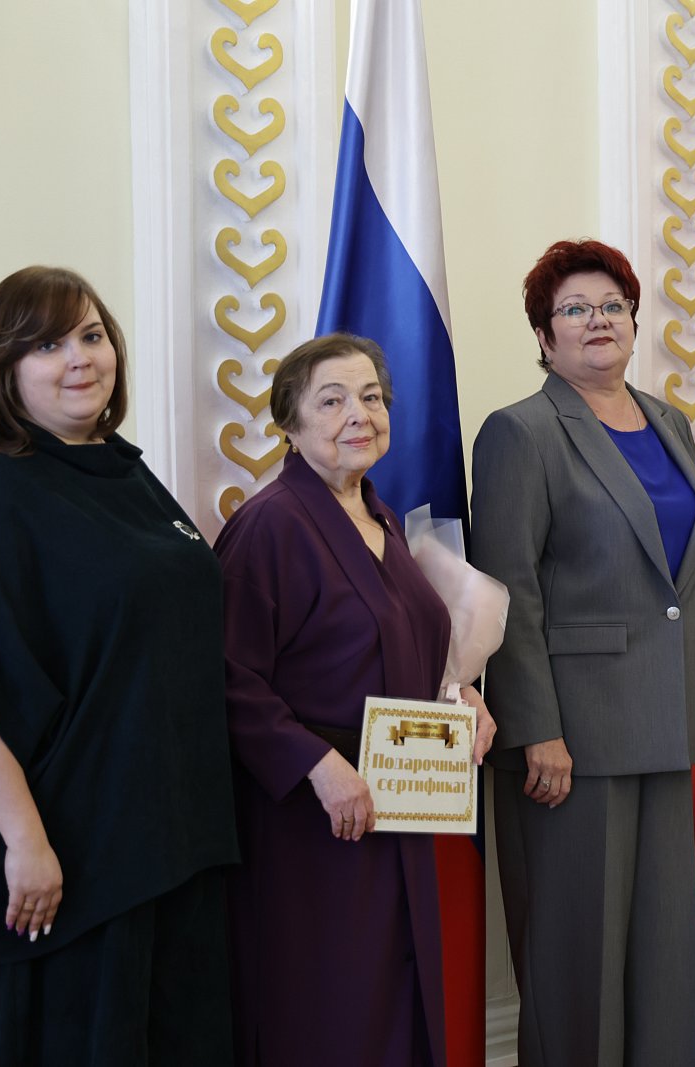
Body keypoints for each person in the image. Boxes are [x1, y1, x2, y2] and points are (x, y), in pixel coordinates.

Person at [0, 266, 238, 1066]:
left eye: (91, 335)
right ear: (5, 367)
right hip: (67, 869)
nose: (80, 357)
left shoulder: (126, 471)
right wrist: (27, 842)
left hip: (170, 847)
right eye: (49, 344)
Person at [471, 238, 695, 1066]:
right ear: (544, 335)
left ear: (633, 320)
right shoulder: (520, 432)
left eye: (613, 306)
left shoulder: (668, 421)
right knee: (578, 955)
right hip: (572, 741)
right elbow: (509, 591)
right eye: (575, 309)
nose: (598, 320)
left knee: (662, 953)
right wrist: (536, 729)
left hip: (666, 720)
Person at [216, 332, 495, 1066]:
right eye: (332, 400)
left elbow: (408, 647)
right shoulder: (269, 526)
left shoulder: (382, 519)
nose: (357, 415)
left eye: (371, 397)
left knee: (397, 1000)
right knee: (331, 1010)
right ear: (289, 422)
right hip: (313, 823)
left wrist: (460, 694)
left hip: (398, 805)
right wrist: (316, 766)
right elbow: (227, 678)